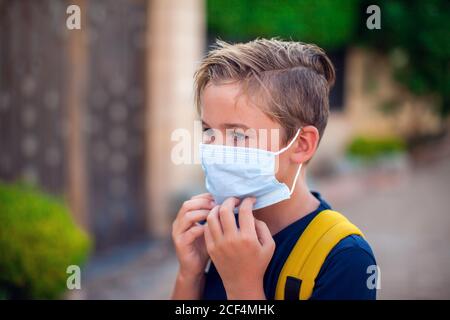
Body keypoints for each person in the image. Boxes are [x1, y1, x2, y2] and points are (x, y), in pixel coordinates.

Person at [171, 39, 377, 300]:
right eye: (208, 130)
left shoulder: (345, 258)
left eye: (237, 135)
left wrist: (242, 285)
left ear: (301, 145)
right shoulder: (218, 230)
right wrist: (190, 274)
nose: (215, 148)